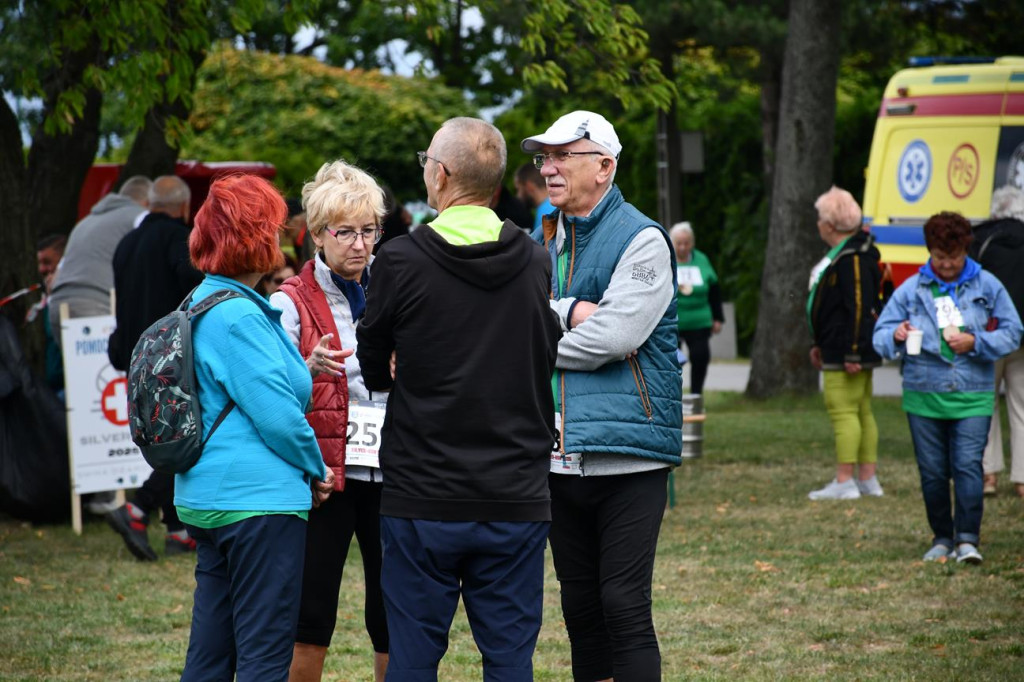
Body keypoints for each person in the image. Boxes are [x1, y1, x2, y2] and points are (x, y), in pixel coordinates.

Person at [356, 117, 561, 681]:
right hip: (513, 492)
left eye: (426, 160)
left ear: (440, 174)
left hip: (423, 493)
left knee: (413, 660)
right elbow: (542, 352)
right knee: (510, 662)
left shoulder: (400, 260)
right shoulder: (534, 261)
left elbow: (372, 360)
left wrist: (398, 361)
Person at [521, 110, 682, 681]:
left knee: (623, 605)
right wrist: (565, 312)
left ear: (605, 166)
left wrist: (529, 340)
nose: (550, 166)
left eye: (565, 154)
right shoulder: (545, 238)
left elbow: (613, 337)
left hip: (629, 453)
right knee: (581, 609)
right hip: (558, 455)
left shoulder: (642, 238)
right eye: (545, 156)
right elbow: (518, 318)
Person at [176, 174, 334, 681]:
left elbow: (236, 388)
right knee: (264, 658)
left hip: (208, 495)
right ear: (256, 238)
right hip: (258, 503)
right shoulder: (240, 316)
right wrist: (317, 468)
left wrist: (299, 370)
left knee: (211, 654)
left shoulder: (199, 302)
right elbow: (278, 419)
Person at [269, 160, 390, 682]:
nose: (360, 244)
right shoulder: (288, 301)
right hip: (323, 477)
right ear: (318, 234)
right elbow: (268, 389)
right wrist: (305, 367)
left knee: (393, 607)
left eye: (369, 231)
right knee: (311, 610)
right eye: (346, 233)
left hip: (390, 470)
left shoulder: (395, 288)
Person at [873, 212, 1022, 564]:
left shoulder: (988, 286)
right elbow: (879, 336)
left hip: (973, 393)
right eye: (940, 258)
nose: (948, 265)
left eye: (954, 257)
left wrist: (976, 342)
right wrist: (895, 336)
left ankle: (967, 539)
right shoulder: (912, 289)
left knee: (968, 466)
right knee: (934, 472)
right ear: (930, 252)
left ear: (965, 250)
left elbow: (1013, 332)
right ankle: (942, 537)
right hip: (923, 393)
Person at [105, 176, 203, 561]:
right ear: (183, 207)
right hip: (171, 359)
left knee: (166, 438)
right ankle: (137, 508)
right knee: (186, 438)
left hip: (135, 357)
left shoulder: (126, 244)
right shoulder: (179, 240)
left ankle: (177, 528)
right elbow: (195, 287)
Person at [48, 174, 151, 515]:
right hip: (95, 306)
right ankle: (115, 493)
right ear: (145, 201)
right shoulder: (138, 216)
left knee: (84, 401)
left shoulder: (86, 221)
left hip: (58, 306)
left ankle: (91, 493)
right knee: (111, 397)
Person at [805, 187, 884, 500]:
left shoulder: (852, 256)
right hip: (841, 344)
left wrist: (852, 350)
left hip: (847, 348)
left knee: (844, 412)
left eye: (820, 218)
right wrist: (819, 342)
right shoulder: (853, 252)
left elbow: (859, 305)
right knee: (862, 410)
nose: (818, 224)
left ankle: (845, 480)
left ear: (830, 224)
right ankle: (867, 479)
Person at [970, 185, 1024, 498]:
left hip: (989, 337)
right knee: (1021, 409)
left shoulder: (981, 240)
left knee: (984, 404)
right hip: (1023, 338)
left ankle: (987, 475)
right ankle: (1021, 480)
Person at [669, 221, 724, 395]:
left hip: (699, 320)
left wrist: (718, 318)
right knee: (671, 359)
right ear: (672, 243)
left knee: (701, 357)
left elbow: (714, 290)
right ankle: (672, 395)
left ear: (692, 243)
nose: (683, 247)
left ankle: (695, 395)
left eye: (687, 243)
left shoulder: (701, 259)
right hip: (673, 320)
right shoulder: (666, 259)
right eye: (679, 243)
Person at [32, 234, 67, 395]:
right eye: (39, 263)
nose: (42, 269)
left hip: (69, 385)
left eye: (47, 262)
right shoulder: (48, 296)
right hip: (55, 387)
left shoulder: (70, 297)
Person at [514, 161, 553, 231]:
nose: (518, 196)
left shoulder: (545, 214)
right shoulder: (555, 206)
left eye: (519, 189)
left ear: (529, 186)